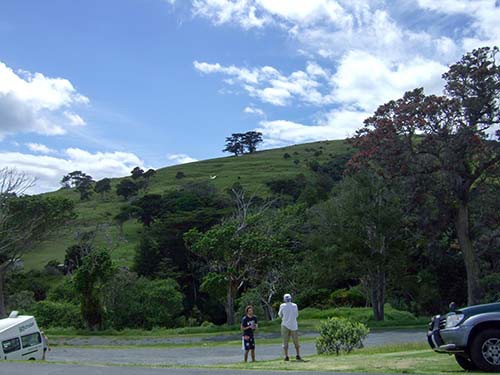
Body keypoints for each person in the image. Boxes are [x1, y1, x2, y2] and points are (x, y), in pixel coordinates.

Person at [278, 293, 301, 361]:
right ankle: (298, 355)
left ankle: (286, 356)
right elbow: (296, 315)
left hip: (285, 324)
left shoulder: (282, 306)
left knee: (285, 341)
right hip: (294, 325)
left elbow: (280, 314)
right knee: (296, 341)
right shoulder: (295, 305)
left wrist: (285, 318)